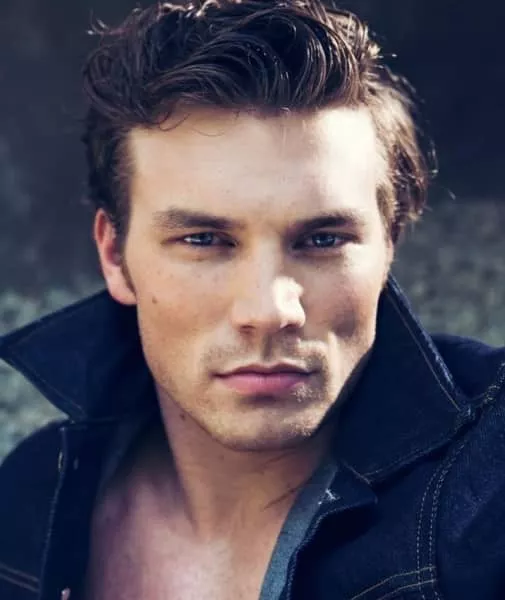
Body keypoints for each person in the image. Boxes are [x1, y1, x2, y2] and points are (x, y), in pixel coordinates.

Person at [0, 0, 504, 598]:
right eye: (204, 240)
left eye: (322, 239)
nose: (269, 311)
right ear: (115, 255)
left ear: (388, 244)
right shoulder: (30, 499)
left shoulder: (486, 487)